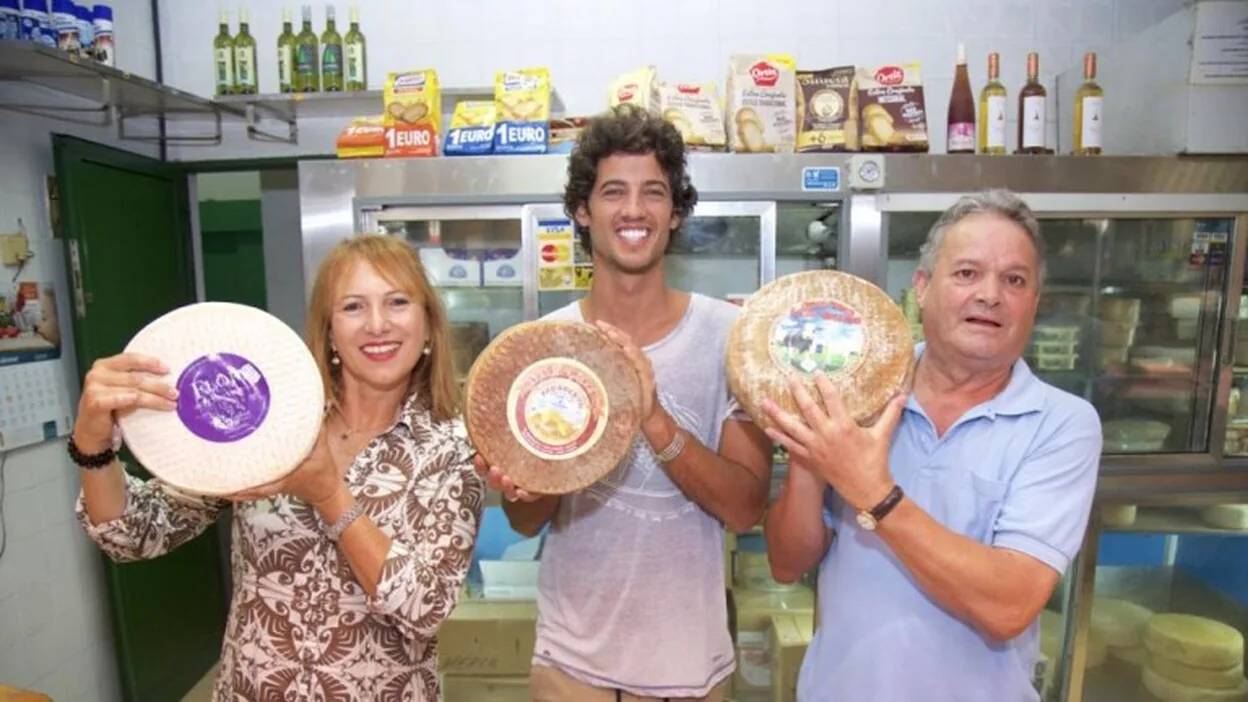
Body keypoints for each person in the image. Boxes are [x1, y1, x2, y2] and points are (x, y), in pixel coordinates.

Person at [70, 234, 485, 701]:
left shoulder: (454, 449)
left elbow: (424, 609)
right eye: (352, 307)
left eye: (397, 302)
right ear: (329, 330)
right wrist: (93, 445)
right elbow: (133, 532)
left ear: (428, 324)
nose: (376, 324)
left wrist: (331, 497)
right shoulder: (268, 422)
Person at [475, 104, 773, 701]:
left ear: (676, 213)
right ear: (583, 211)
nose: (633, 210)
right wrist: (529, 478)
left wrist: (652, 419)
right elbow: (528, 520)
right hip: (570, 667)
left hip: (688, 669)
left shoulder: (729, 338)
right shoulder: (545, 347)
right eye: (613, 191)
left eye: (653, 192)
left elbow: (746, 509)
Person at [762, 189, 1102, 702]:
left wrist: (874, 491)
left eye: (1014, 280)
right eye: (966, 273)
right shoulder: (863, 389)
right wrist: (811, 463)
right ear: (921, 288)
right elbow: (787, 563)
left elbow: (1008, 606)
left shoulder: (1062, 424)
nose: (989, 294)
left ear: (1034, 303)